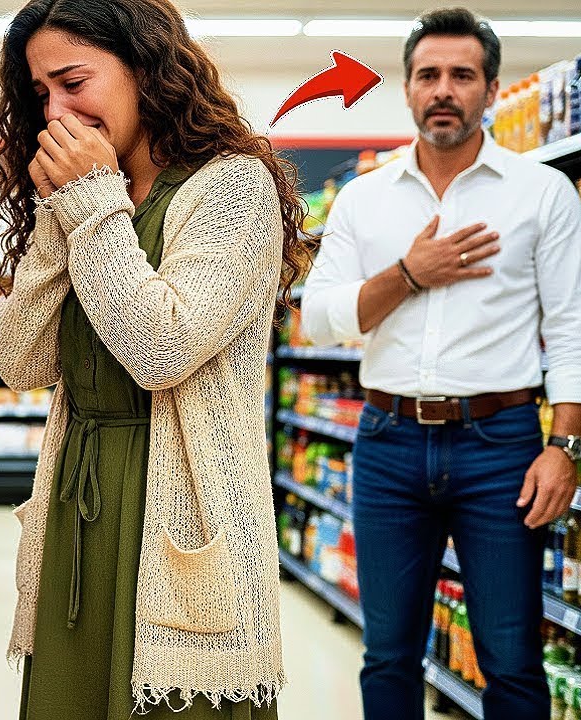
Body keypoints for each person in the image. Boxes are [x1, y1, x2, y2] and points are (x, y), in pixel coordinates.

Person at [0, 0, 315, 716]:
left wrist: (92, 200)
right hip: (80, 500)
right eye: (40, 94)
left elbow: (161, 349)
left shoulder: (231, 186)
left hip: (181, 503)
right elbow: (20, 361)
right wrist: (57, 218)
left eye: (73, 81)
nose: (56, 110)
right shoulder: (84, 197)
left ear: (145, 67)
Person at [301, 8, 581, 720]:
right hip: (389, 444)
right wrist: (409, 272)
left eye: (463, 75)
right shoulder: (365, 200)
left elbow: (573, 327)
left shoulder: (541, 193)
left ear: (490, 89)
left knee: (512, 660)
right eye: (429, 75)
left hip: (503, 447)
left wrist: (564, 447)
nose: (444, 89)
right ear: (407, 89)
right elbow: (321, 318)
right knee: (388, 655)